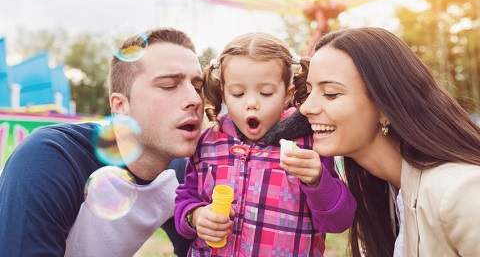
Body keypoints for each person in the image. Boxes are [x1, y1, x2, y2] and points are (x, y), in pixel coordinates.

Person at [0, 28, 203, 256]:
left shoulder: (184, 174)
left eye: (198, 87)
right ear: (120, 106)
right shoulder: (47, 159)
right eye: (169, 85)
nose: (194, 99)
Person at [296, 27, 480, 257]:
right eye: (309, 91)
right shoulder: (388, 198)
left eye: (331, 94)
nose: (305, 108)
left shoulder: (458, 192)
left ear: (386, 108)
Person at [175, 32, 357, 256]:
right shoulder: (208, 142)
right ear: (223, 94)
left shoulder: (309, 145)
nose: (251, 103)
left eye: (266, 92)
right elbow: (185, 199)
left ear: (287, 94)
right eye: (238, 93)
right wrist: (196, 216)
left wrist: (318, 180)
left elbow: (339, 222)